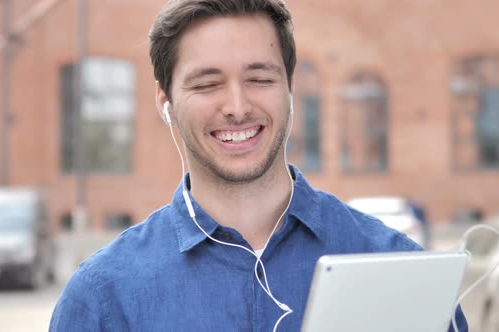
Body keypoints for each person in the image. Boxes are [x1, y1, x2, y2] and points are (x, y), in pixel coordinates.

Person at [49, 0, 468, 330]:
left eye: (260, 78)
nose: (237, 107)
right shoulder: (104, 297)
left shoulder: (397, 268)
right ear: (166, 103)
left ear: (290, 87)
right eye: (207, 84)